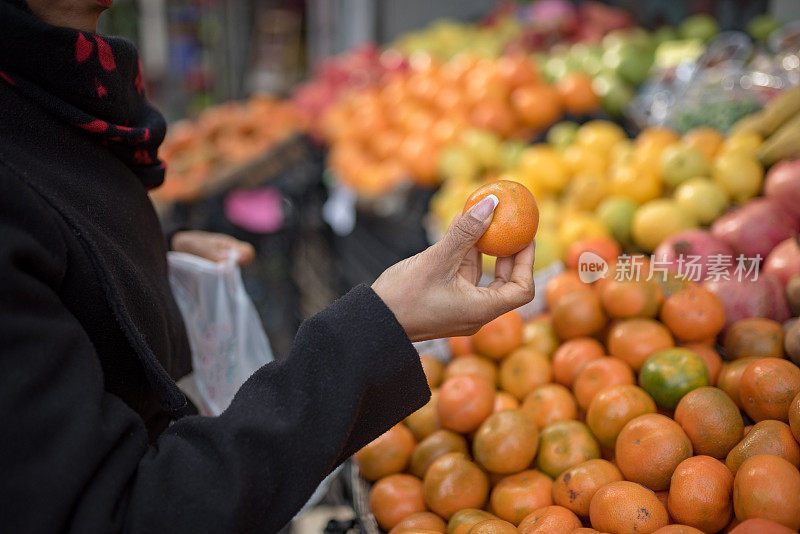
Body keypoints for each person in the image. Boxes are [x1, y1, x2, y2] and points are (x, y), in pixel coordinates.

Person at [0, 0, 535, 532]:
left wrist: (147, 260)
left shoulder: (57, 84)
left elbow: (52, 253)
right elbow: (117, 514)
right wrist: (381, 325)